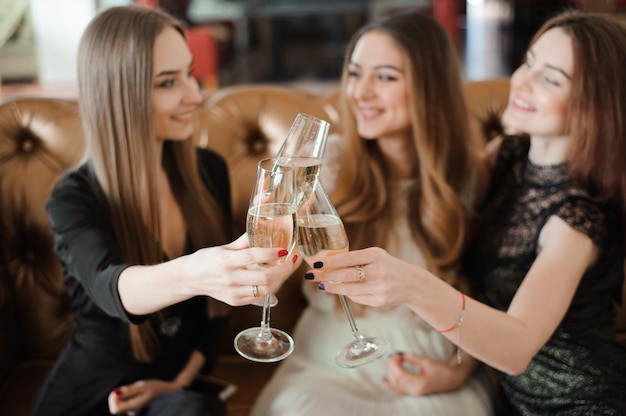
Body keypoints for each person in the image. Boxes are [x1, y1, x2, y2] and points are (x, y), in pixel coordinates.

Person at [305, 10, 626, 415]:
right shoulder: (507, 157)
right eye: (528, 62)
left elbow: (515, 348)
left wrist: (412, 286)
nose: (521, 81)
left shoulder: (578, 220)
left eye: (550, 79)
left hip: (582, 404)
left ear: (595, 106)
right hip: (513, 402)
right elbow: (432, 170)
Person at [30, 6, 296, 416]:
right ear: (119, 95)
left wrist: (177, 382)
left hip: (175, 387)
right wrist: (203, 272)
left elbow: (211, 318)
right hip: (93, 392)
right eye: (168, 82)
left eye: (189, 72)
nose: (195, 93)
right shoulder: (72, 198)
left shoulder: (208, 170)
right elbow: (111, 286)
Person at [251, 10, 494, 416]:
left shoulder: (473, 174)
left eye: (384, 77)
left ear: (430, 88)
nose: (360, 93)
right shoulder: (325, 167)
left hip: (429, 372)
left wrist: (457, 371)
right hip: (329, 366)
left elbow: (488, 291)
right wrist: (266, 265)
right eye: (354, 73)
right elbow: (276, 263)